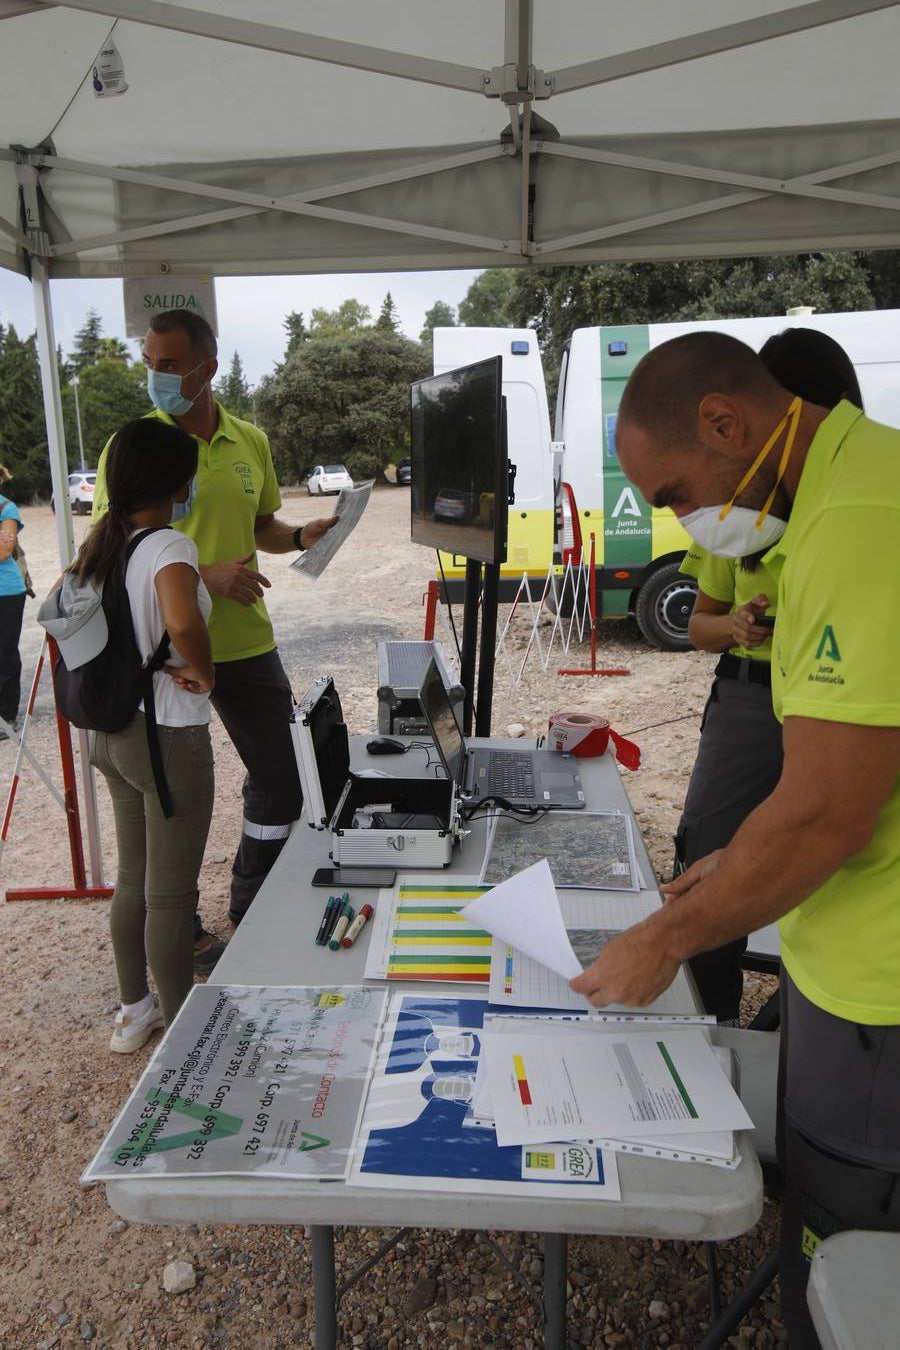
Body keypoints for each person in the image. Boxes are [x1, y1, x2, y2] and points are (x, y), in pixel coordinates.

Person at [570, 330, 900, 1348]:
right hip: (842, 958)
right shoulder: (837, 495)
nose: (681, 521)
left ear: (727, 421)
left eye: (673, 493)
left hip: (879, 994)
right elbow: (822, 782)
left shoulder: (856, 519)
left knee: (847, 1264)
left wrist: (665, 942)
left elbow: (829, 813)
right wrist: (729, 866)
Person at [93, 309, 336, 965]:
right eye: (149, 362)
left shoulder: (249, 439)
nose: (155, 376)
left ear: (208, 367)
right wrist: (203, 572)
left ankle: (251, 903)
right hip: (165, 654)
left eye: (168, 365)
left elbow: (260, 526)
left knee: (284, 775)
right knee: (170, 800)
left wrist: (295, 538)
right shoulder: (133, 444)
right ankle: (185, 931)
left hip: (246, 639)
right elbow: (108, 546)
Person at [676, 329, 864, 1024]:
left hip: (834, 709)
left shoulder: (856, 512)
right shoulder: (742, 515)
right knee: (708, 853)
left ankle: (788, 1015)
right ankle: (708, 1017)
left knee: (823, 868)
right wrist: (739, 628)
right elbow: (701, 624)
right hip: (752, 702)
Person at [67, 419, 214, 1051]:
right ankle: (185, 1035)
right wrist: (204, 672)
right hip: (164, 737)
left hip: (108, 733)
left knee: (134, 878)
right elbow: (181, 620)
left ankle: (135, 1012)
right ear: (174, 483)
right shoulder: (168, 547)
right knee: (171, 894)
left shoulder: (101, 545)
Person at [0, 465, 27, 738]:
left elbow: (4, 550)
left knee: (4, 653)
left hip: (6, 592)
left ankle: (7, 715)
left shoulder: (6, 508)